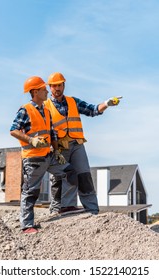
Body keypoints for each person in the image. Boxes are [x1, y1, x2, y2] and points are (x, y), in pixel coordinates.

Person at [44, 72, 121, 216]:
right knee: (61, 177)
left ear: (64, 85)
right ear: (49, 88)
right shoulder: (45, 106)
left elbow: (92, 110)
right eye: (54, 86)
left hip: (77, 144)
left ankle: (92, 210)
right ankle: (61, 208)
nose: (57, 88)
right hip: (59, 147)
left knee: (84, 176)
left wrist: (107, 104)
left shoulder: (73, 101)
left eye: (59, 85)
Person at [10, 76, 77, 234]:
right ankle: (27, 225)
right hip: (33, 158)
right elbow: (13, 130)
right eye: (43, 89)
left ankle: (57, 207)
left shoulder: (46, 111)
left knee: (70, 172)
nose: (47, 91)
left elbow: (52, 134)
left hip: (49, 155)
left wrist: (57, 151)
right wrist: (31, 140)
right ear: (35, 92)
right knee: (31, 191)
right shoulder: (25, 109)